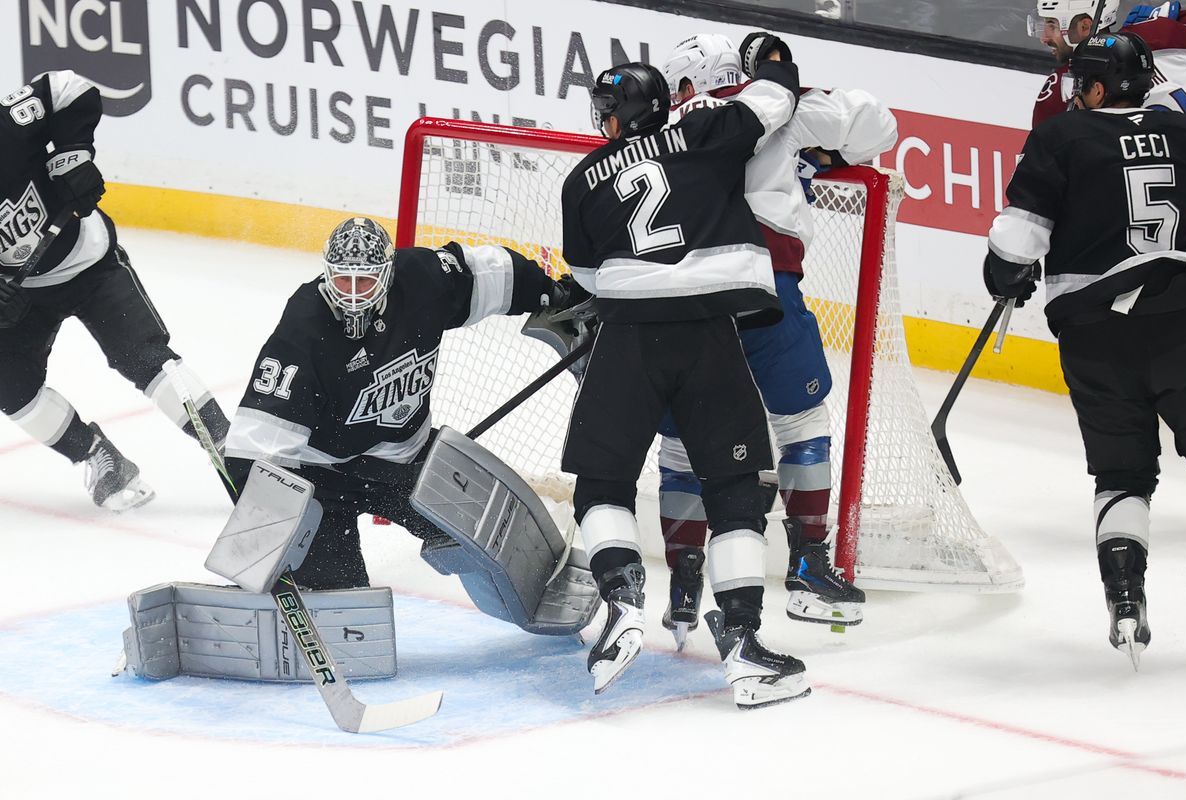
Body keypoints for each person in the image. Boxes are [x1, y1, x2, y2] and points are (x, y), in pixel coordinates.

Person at [559, 33, 812, 708]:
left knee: (602, 482)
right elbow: (774, 98)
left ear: (614, 117)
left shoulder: (581, 179)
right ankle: (745, 646)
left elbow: (588, 277)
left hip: (629, 339)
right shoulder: (703, 130)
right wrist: (768, 62)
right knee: (733, 488)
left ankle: (620, 600)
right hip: (709, 334)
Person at [654, 34, 898, 647]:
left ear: (688, 83)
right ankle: (808, 567)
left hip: (681, 300)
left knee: (683, 440)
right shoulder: (775, 104)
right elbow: (878, 128)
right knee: (800, 422)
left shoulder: (655, 129)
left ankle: (683, 590)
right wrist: (807, 140)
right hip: (763, 287)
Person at [984, 32, 1186, 668]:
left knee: (1122, 475)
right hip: (1185, 321)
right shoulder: (1185, 131)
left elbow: (1017, 240)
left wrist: (1007, 275)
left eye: (1083, 83)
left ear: (1098, 87)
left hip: (1096, 336)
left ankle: (1125, 598)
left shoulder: (1060, 139)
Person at [222, 217, 589, 591]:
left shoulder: (422, 279)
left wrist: (554, 294)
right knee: (338, 596)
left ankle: (545, 592)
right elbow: (255, 449)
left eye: (364, 281)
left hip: (407, 461)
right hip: (323, 477)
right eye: (342, 280)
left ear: (387, 273)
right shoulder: (305, 323)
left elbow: (493, 272)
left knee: (493, 544)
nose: (352, 294)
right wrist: (267, 536)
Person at [0, 70, 229, 511]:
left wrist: (72, 156)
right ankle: (98, 456)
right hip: (24, 293)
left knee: (142, 357)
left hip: (89, 260)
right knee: (10, 387)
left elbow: (67, 86)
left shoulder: (6, 129)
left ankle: (226, 445)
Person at [1030, 1, 1186, 127]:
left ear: (1085, 27)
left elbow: (1043, 160)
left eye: (1052, 25)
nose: (1044, 38)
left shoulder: (1062, 89)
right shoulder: (1163, 32)